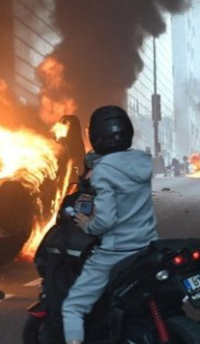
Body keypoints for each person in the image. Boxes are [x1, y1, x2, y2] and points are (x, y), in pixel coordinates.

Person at [62, 106, 159, 344]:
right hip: (148, 246)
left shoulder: (104, 170)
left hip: (117, 252)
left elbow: (105, 220)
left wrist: (87, 224)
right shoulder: (142, 162)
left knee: (73, 307)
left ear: (95, 137)